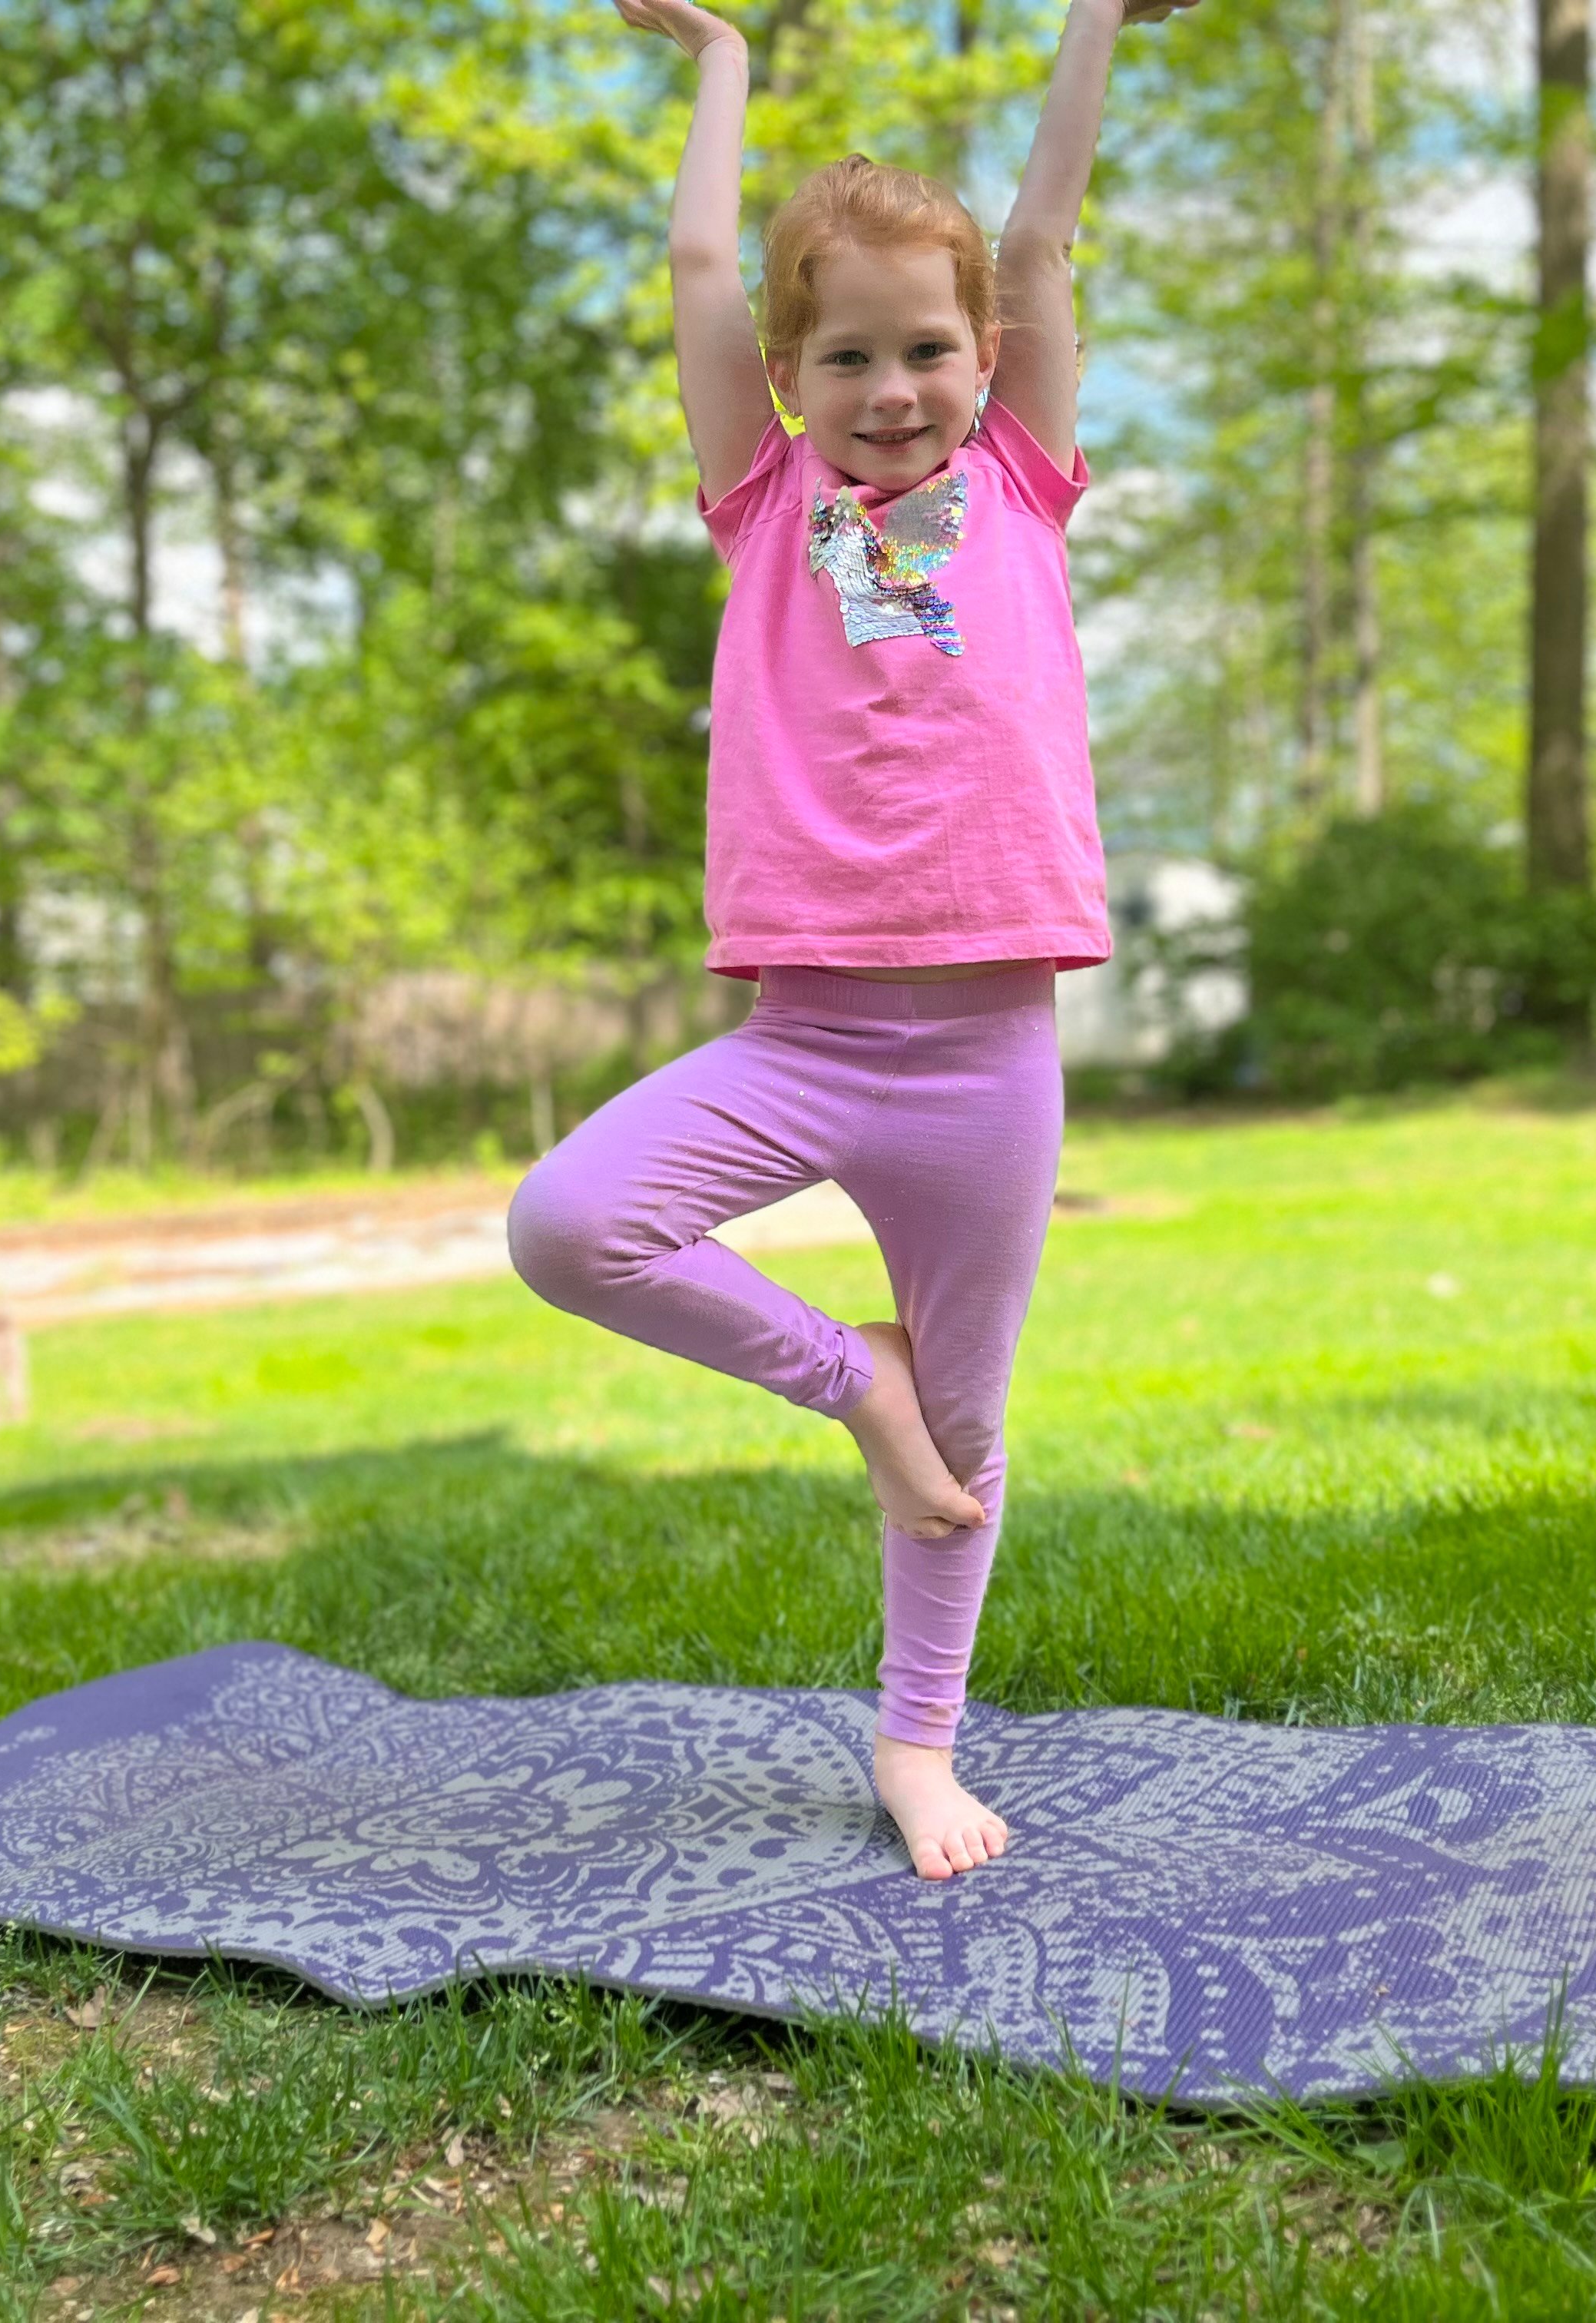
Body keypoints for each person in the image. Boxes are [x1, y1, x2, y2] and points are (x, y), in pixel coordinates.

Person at [507, 0, 1195, 1879]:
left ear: (989, 358)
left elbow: (1047, 232)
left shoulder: (1026, 486)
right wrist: (718, 52)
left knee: (962, 1454)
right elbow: (701, 262)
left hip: (986, 1056)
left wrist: (1098, 25)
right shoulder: (764, 502)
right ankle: (849, 1379)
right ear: (792, 380)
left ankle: (916, 1740)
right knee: (569, 1224)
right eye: (850, 358)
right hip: (804, 1036)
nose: (893, 389)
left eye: (930, 350)